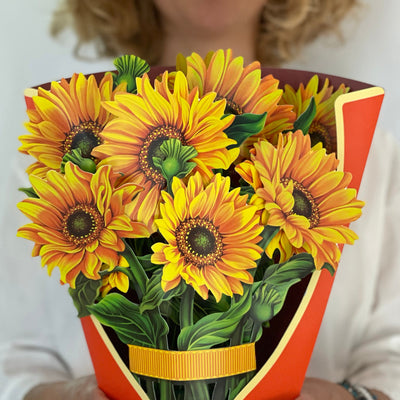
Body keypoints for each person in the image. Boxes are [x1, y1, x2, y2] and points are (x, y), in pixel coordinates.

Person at [1, 0, 399, 399]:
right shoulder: (51, 165)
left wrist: (342, 397)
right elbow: (14, 362)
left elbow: (392, 358)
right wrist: (73, 395)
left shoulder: (367, 157)